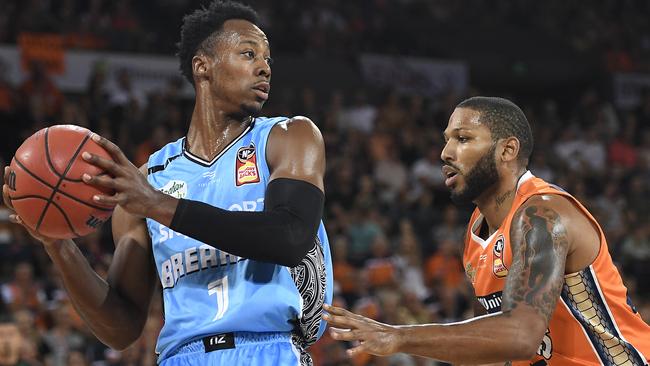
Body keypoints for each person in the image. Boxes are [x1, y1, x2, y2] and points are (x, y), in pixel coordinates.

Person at [2, 1, 333, 365]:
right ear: (202, 66)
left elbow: (288, 237)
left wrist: (157, 205)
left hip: (267, 349)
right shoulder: (147, 179)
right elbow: (121, 327)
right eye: (248, 53)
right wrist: (58, 246)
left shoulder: (289, 137)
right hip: (181, 357)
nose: (263, 68)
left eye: (267, 59)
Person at [323, 96, 650, 365]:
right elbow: (492, 346)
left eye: (463, 139)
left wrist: (399, 336)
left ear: (507, 151)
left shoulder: (543, 215)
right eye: (447, 140)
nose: (446, 153)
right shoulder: (476, 233)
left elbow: (520, 337)